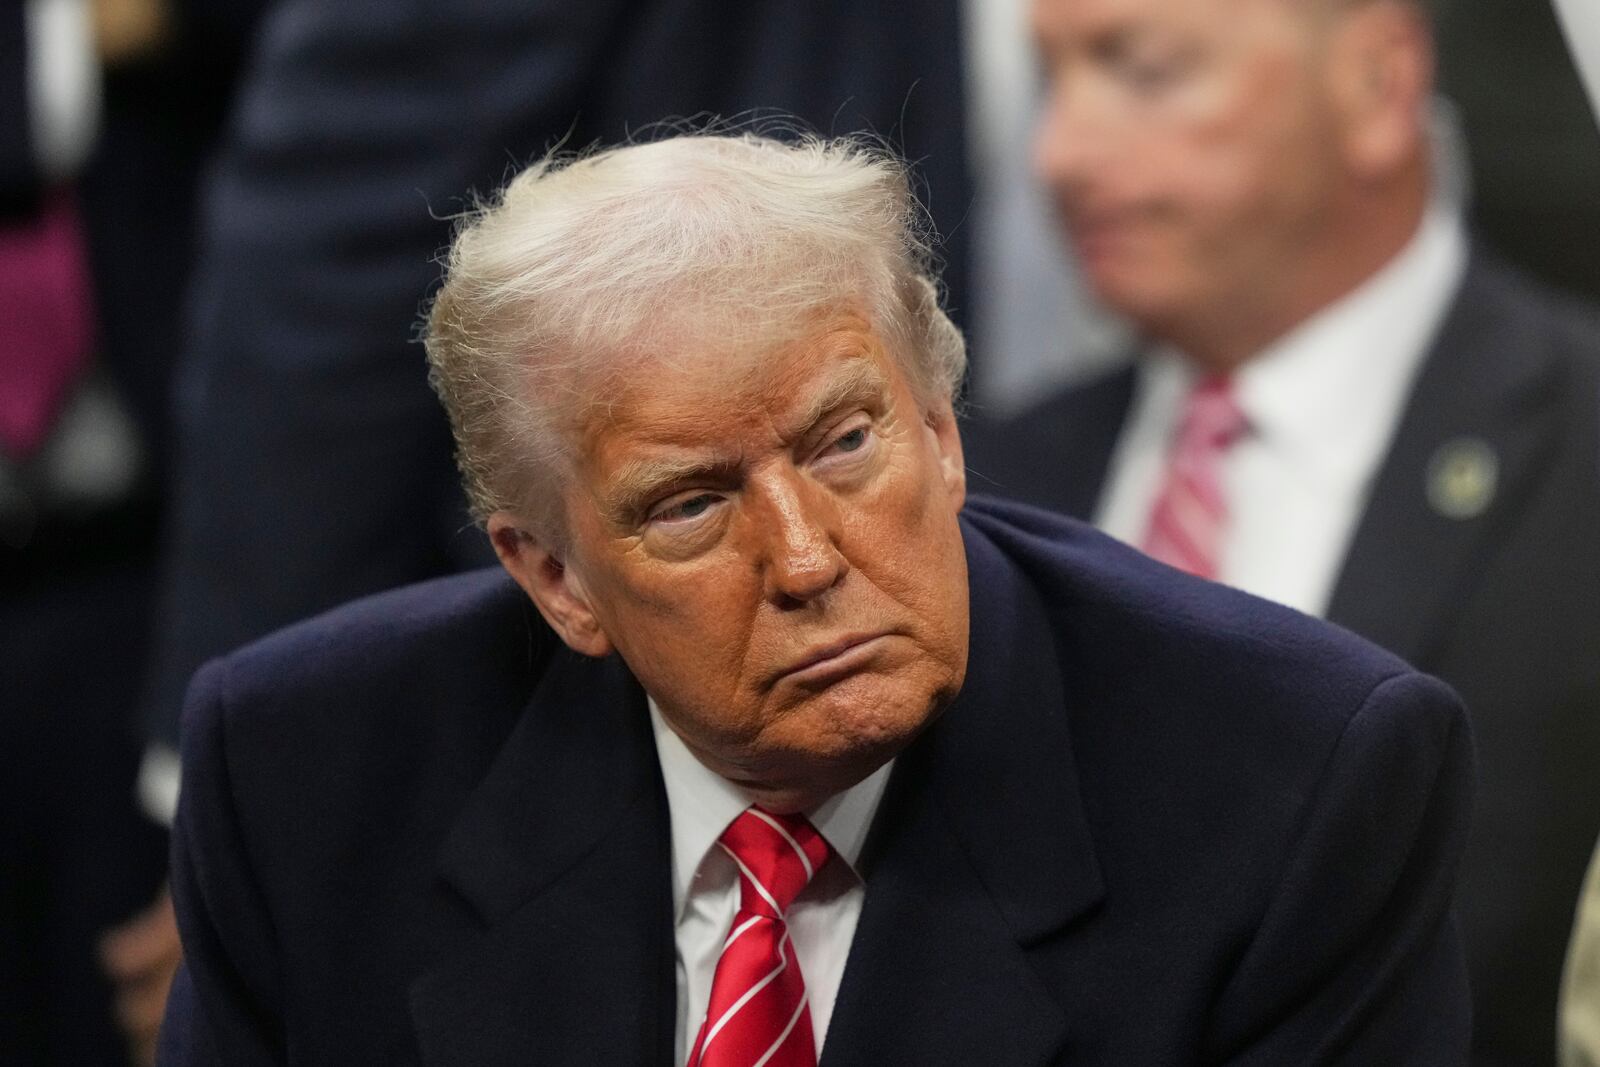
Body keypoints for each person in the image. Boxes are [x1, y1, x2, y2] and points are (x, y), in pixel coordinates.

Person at [159, 131, 1473, 1065]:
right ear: (556, 576)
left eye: (845, 443)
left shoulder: (1294, 781)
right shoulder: (304, 771)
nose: (803, 557)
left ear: (945, 430)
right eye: (690, 503)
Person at [962, 0, 1600, 1062]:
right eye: (1049, 83)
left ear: (1375, 84)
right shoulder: (980, 484)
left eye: (1144, 68)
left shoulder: (1581, 450)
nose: (1061, 153)